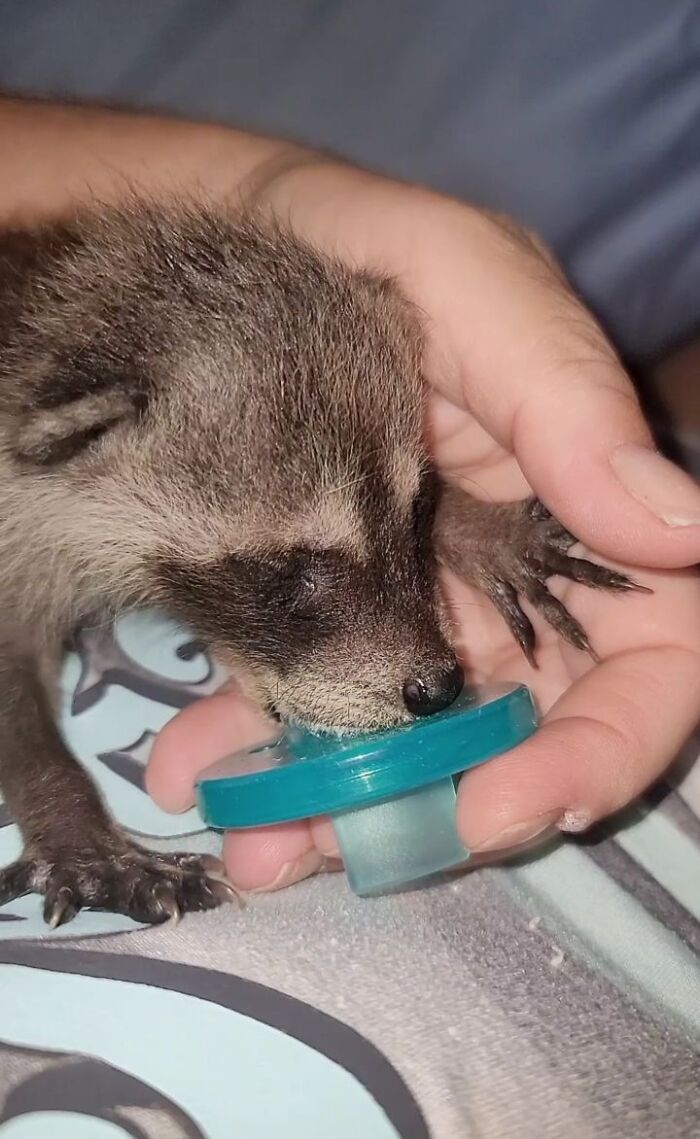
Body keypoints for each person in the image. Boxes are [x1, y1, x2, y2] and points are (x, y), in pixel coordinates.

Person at [2, 95, 699, 894]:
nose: (431, 667)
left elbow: (355, 492)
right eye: (301, 573)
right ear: (82, 446)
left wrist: (475, 526)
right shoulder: (68, 448)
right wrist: (69, 832)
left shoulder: (179, 433)